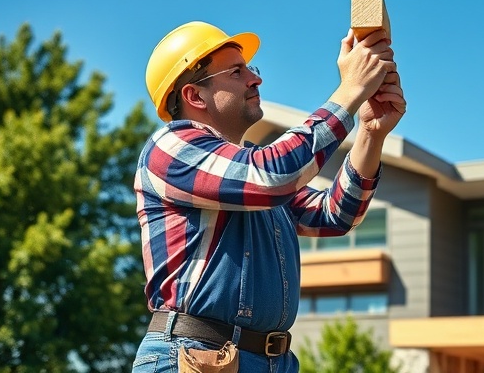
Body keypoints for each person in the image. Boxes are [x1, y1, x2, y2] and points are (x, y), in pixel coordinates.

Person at [132, 20, 406, 372]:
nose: (255, 78)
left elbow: (335, 215)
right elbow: (271, 175)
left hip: (268, 360)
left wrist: (370, 133)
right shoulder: (170, 147)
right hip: (196, 356)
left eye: (249, 68)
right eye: (236, 71)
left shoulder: (250, 176)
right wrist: (350, 90)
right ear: (194, 96)